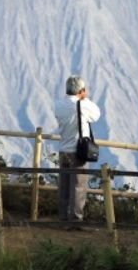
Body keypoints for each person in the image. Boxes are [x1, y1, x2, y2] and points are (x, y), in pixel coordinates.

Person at [56, 75, 102, 222]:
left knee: (64, 185)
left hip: (63, 149)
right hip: (78, 151)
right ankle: (75, 218)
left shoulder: (58, 104)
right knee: (78, 187)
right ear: (81, 90)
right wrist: (85, 98)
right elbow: (96, 115)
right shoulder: (82, 105)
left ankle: (62, 216)